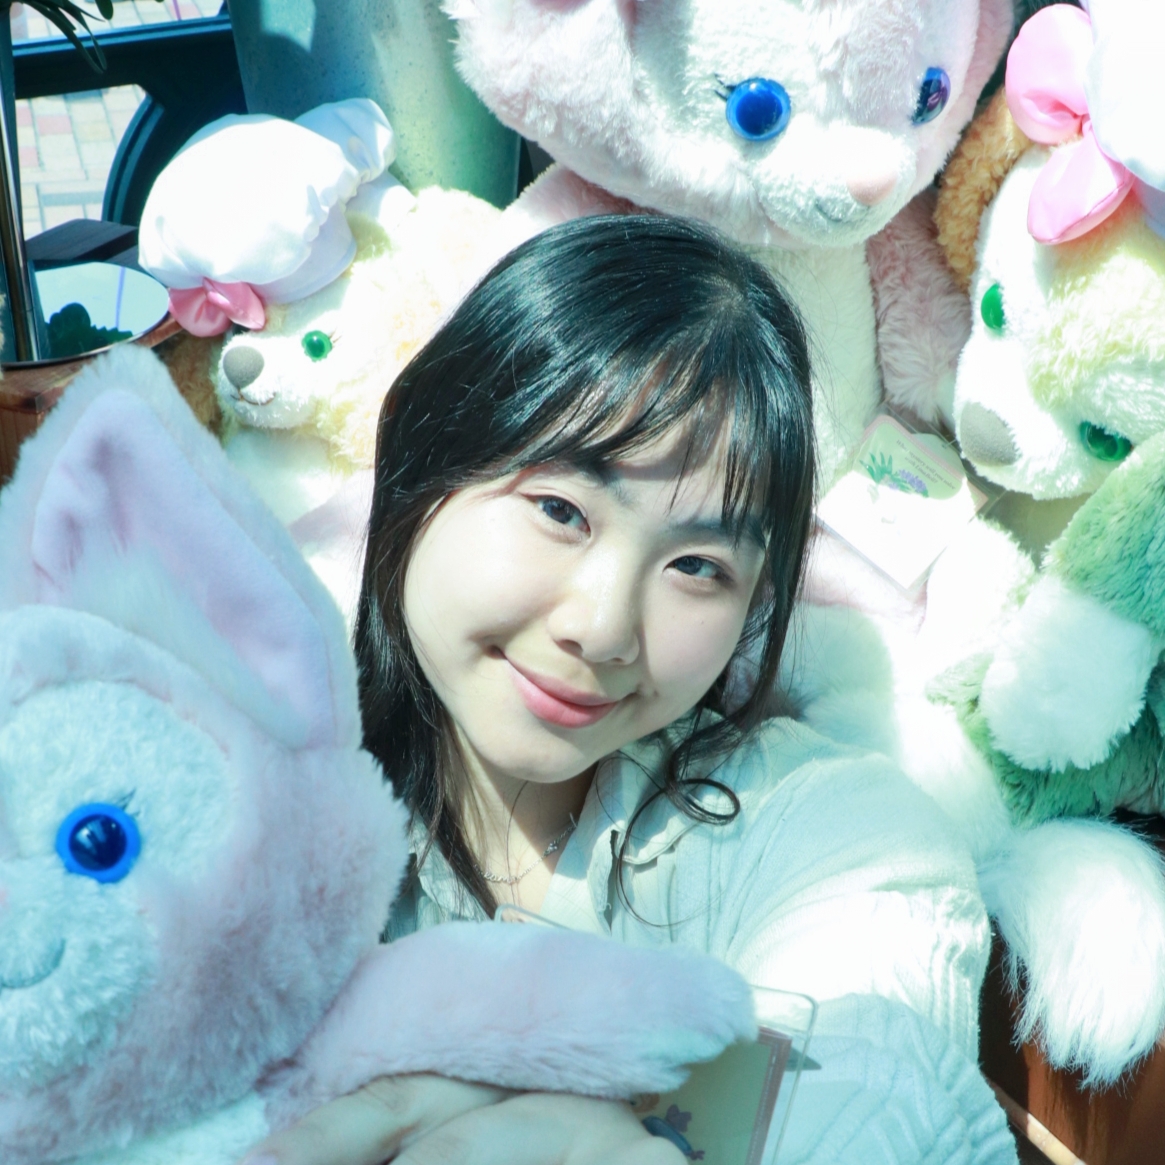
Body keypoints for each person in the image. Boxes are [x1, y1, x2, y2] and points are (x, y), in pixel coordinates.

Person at [240, 215, 1016, 1165]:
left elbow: (873, 1076)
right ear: (415, 465)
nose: (603, 628)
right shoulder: (237, 779)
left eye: (697, 566)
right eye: (559, 510)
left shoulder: (836, 833)